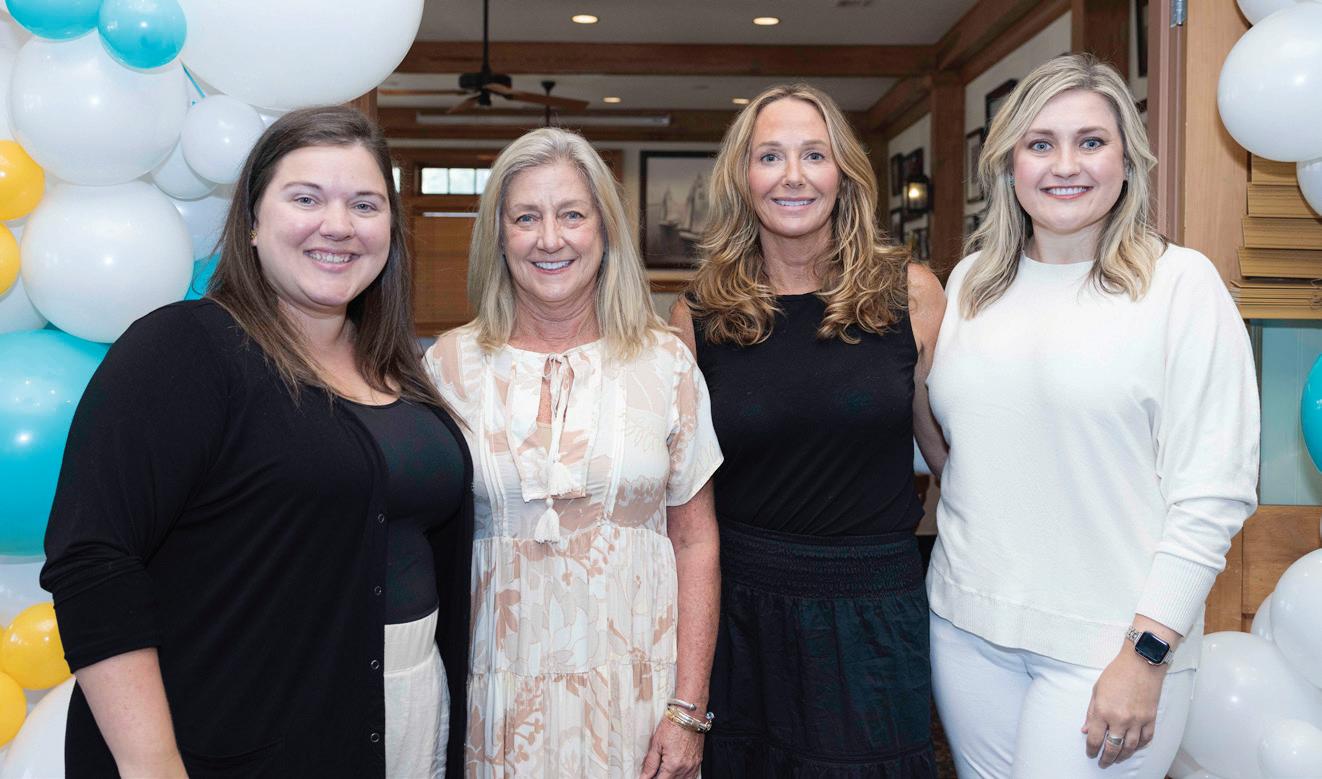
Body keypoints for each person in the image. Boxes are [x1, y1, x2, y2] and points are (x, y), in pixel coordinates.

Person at [41, 106, 472, 779]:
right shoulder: (183, 349)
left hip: (407, 715)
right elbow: (93, 560)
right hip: (236, 738)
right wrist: (151, 762)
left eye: (365, 204)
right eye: (306, 198)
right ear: (251, 221)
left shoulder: (397, 368)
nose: (338, 225)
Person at [925, 54, 1259, 778]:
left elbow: (1214, 492)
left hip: (1111, 647)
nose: (1065, 165)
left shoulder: (1179, 285)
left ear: (1127, 161)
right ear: (1009, 164)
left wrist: (1148, 653)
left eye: (1091, 141)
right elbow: (963, 445)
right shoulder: (974, 282)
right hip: (966, 626)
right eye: (1040, 143)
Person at [424, 127, 722, 778]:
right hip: (498, 699)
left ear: (605, 231)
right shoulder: (450, 366)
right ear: (499, 236)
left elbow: (695, 539)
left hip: (638, 701)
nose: (550, 238)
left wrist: (688, 708)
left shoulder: (666, 363)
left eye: (572, 215)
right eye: (526, 217)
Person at [673, 83, 947, 777]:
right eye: (770, 156)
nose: (792, 175)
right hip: (742, 614)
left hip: (874, 613)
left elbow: (953, 458)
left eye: (814, 155)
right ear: (743, 177)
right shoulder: (698, 314)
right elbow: (681, 496)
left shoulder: (910, 293)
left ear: (844, 173)